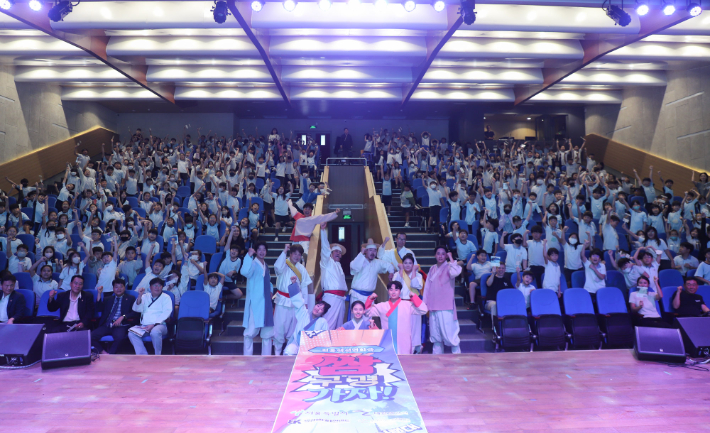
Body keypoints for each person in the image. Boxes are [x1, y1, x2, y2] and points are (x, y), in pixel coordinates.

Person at [365, 280, 428, 355]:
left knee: (404, 362)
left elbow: (424, 310)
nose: (393, 292)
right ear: (388, 291)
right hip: (388, 339)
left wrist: (414, 297)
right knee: (389, 361)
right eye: (391, 290)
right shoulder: (382, 306)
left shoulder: (407, 304)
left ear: (400, 292)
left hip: (404, 340)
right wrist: (370, 299)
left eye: (396, 289)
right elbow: (367, 312)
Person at [273, 244, 313, 356]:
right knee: (279, 328)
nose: (297, 256)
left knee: (293, 331)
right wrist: (284, 250)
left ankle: (289, 355)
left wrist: (305, 303)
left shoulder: (301, 268)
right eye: (294, 253)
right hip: (282, 302)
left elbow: (305, 286)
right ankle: (276, 354)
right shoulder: (283, 263)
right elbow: (277, 267)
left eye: (299, 254)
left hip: (296, 304)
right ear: (290, 254)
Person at [423, 246, 463, 354]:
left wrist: (451, 258)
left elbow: (455, 272)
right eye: (438, 253)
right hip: (433, 306)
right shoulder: (432, 268)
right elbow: (427, 288)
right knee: (436, 337)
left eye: (443, 254)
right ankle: (437, 362)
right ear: (435, 255)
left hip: (446, 307)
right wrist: (424, 304)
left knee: (450, 335)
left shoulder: (450, 267)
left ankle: (458, 359)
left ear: (446, 255)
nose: (440, 256)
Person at [240, 242, 275, 356]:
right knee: (250, 332)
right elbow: (245, 272)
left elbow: (268, 281)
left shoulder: (266, 265)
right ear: (255, 251)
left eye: (264, 249)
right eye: (259, 249)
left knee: (267, 333)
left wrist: (270, 290)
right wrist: (248, 256)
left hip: (266, 303)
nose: (262, 252)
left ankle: (266, 357)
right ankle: (247, 356)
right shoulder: (253, 263)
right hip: (255, 302)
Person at [283, 277, 330, 356]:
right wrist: (294, 284)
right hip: (297, 345)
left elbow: (325, 338)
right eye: (318, 306)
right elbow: (299, 302)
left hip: (313, 348)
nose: (318, 309)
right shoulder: (304, 314)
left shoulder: (323, 322)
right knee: (289, 350)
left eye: (321, 309)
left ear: (323, 314)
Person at [91, 279, 139, 354]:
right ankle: (104, 353)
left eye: (121, 287)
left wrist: (123, 316)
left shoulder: (130, 298)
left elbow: (135, 313)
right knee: (90, 337)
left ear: (124, 288)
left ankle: (111, 355)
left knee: (120, 338)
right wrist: (99, 294)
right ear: (113, 288)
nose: (119, 289)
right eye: (116, 287)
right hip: (107, 325)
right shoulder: (108, 299)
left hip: (121, 325)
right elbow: (99, 308)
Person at [128, 277, 172, 355]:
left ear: (162, 287)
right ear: (150, 287)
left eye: (159, 285)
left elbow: (166, 313)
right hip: (145, 326)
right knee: (132, 333)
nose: (157, 287)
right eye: (154, 285)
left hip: (160, 325)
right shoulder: (145, 296)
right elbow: (137, 309)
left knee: (155, 332)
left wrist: (153, 324)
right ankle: (143, 355)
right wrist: (140, 295)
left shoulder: (166, 297)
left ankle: (157, 355)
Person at [391, 253, 425, 353]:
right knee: (402, 327)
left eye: (410, 263)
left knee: (415, 327)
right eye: (405, 263)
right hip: (401, 304)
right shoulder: (398, 274)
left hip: (414, 304)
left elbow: (417, 285)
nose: (408, 265)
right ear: (402, 264)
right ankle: (402, 348)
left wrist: (414, 271)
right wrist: (401, 270)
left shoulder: (418, 275)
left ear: (413, 264)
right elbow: (396, 286)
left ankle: (414, 348)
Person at [319, 223, 348, 329]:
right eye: (336, 251)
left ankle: (335, 345)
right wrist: (323, 231)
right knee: (328, 323)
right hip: (331, 297)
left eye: (340, 253)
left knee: (339, 326)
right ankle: (324, 345)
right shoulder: (326, 262)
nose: (338, 254)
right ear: (330, 253)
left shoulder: (339, 265)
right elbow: (325, 249)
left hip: (341, 299)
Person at [349, 238, 395, 305]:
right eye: (370, 250)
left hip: (370, 297)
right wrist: (361, 253)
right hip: (357, 296)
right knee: (356, 315)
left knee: (369, 315)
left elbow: (389, 266)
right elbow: (354, 267)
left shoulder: (377, 262)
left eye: (374, 251)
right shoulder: (360, 260)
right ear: (366, 251)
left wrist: (391, 272)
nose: (373, 253)